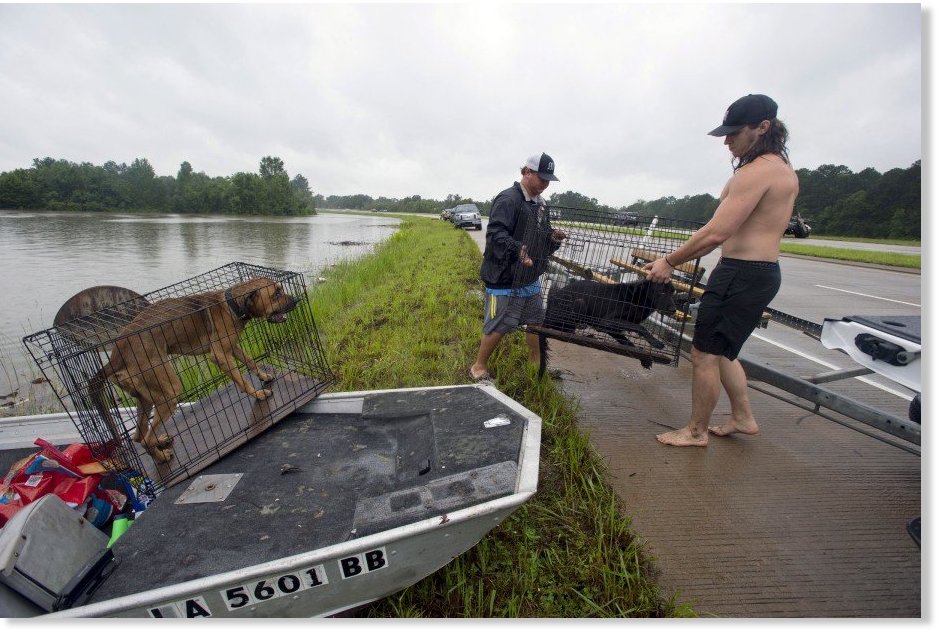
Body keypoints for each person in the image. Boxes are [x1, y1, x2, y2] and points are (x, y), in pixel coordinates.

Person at [643, 94, 799, 447]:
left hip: (741, 273)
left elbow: (717, 232)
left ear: (763, 128)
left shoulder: (759, 172)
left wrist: (669, 262)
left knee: (704, 354)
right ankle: (743, 417)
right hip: (757, 272)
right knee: (724, 351)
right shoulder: (779, 169)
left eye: (733, 133)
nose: (727, 140)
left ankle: (696, 431)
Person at [469, 153, 567, 381]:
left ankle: (536, 367)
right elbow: (495, 234)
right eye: (541, 178)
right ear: (526, 172)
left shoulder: (541, 206)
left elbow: (543, 238)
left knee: (536, 321)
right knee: (499, 324)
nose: (545, 184)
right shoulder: (508, 199)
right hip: (503, 276)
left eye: (548, 180)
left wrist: (553, 238)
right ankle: (478, 367)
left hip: (529, 277)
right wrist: (518, 250)